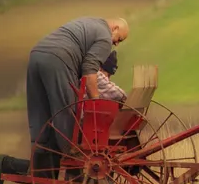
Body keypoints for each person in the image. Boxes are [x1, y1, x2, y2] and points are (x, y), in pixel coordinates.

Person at [23, 16, 129, 175]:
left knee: (40, 110)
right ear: (114, 28)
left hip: (37, 54)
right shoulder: (105, 36)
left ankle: (41, 160)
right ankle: (73, 155)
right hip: (58, 58)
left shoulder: (90, 23)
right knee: (67, 108)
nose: (116, 44)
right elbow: (89, 69)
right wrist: (95, 102)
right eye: (118, 39)